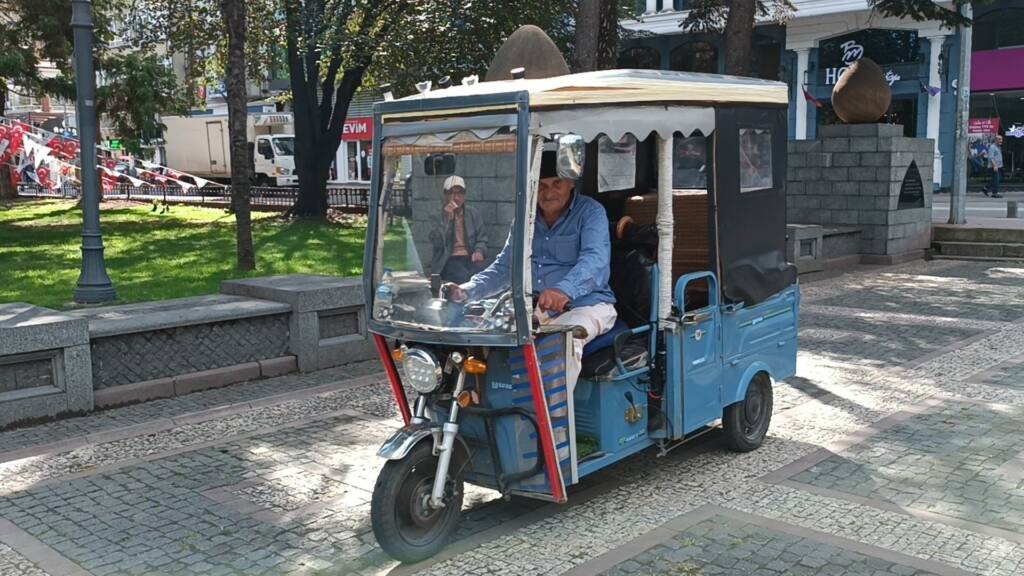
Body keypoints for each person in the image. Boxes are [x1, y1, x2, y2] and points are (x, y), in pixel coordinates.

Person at [445, 150, 617, 383]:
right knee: (471, 336)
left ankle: (554, 419)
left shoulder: (591, 212)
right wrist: (466, 290)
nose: (548, 193)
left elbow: (595, 262)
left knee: (559, 344)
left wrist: (563, 290)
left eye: (557, 184)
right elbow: (506, 267)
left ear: (571, 183)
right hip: (532, 308)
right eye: (542, 186)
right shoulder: (524, 219)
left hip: (586, 305)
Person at [429, 175, 489, 284]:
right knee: (462, 277)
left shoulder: (472, 213)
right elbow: (437, 243)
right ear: (445, 195)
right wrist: (447, 219)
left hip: (470, 257)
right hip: (449, 259)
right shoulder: (436, 215)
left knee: (485, 278)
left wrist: (479, 251)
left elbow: (482, 239)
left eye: (460, 193)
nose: (456, 197)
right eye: (452, 193)